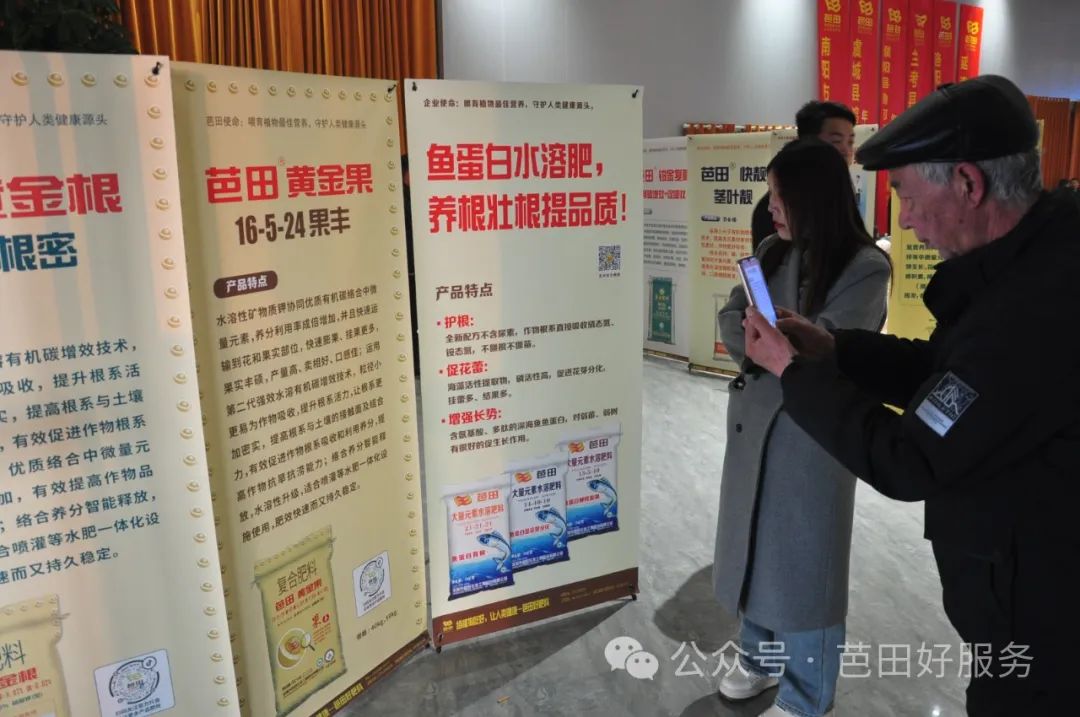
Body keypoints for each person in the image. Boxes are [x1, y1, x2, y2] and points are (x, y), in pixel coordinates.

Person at [741, 75, 1079, 715]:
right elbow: (947, 378)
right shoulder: (1021, 267)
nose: (904, 219)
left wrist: (794, 372)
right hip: (1019, 595)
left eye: (906, 195)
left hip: (1048, 618)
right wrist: (835, 349)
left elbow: (911, 456)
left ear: (968, 184)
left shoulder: (1036, 307)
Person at [713, 138, 891, 717]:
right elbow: (731, 317)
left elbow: (829, 347)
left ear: (813, 196)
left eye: (780, 194)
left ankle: (806, 695)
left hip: (813, 434)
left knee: (807, 565)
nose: (771, 207)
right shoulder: (770, 250)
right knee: (756, 548)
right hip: (757, 424)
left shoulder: (864, 267)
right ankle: (758, 660)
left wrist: (772, 345)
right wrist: (769, 345)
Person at [751, 101, 857, 251]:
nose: (846, 151)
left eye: (850, 142)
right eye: (836, 141)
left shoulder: (842, 196)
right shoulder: (776, 210)